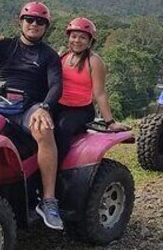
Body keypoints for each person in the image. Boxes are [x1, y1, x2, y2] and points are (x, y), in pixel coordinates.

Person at [0, 1, 64, 230]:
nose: (34, 24)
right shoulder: (4, 45)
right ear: (21, 22)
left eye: (40, 21)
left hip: (30, 107)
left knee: (44, 129)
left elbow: (56, 86)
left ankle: (48, 201)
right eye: (30, 20)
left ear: (46, 27)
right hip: (1, 106)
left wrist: (45, 107)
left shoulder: (48, 56)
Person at [56, 17, 131, 160]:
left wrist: (110, 123)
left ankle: (58, 171)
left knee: (62, 129)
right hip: (60, 105)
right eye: (74, 36)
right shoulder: (63, 57)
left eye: (82, 37)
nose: (77, 40)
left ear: (90, 41)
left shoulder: (94, 62)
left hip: (80, 110)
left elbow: (100, 93)